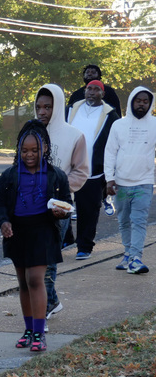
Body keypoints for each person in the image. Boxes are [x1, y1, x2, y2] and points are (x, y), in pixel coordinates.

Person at [0, 120, 72, 353]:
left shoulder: (55, 175)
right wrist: (3, 222)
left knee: (36, 279)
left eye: (35, 150)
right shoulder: (9, 175)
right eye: (24, 150)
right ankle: (28, 330)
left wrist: (61, 211)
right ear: (18, 150)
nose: (29, 155)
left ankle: (40, 332)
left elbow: (67, 202)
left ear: (45, 149)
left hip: (43, 231)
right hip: (17, 232)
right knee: (23, 284)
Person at [35, 84, 87, 321]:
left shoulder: (74, 135)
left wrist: (60, 188)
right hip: (32, 204)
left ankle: (43, 307)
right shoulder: (31, 131)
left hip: (59, 207)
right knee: (36, 257)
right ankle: (52, 301)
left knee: (49, 257)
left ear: (57, 107)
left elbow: (81, 172)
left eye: (48, 107)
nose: (42, 112)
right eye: (38, 107)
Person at [104, 87, 156, 274]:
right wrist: (109, 179)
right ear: (131, 102)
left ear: (150, 104)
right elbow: (110, 152)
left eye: (145, 101)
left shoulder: (154, 124)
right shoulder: (119, 125)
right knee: (124, 221)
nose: (142, 104)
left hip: (144, 182)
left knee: (139, 221)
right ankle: (127, 254)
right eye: (138, 100)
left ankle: (135, 258)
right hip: (121, 183)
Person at [67, 80, 119, 259]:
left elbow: (114, 144)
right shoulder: (72, 109)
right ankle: (66, 238)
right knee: (61, 206)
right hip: (68, 169)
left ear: (102, 94)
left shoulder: (110, 115)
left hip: (93, 171)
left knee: (88, 211)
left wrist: (111, 173)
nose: (91, 92)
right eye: (89, 88)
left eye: (96, 89)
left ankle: (84, 246)